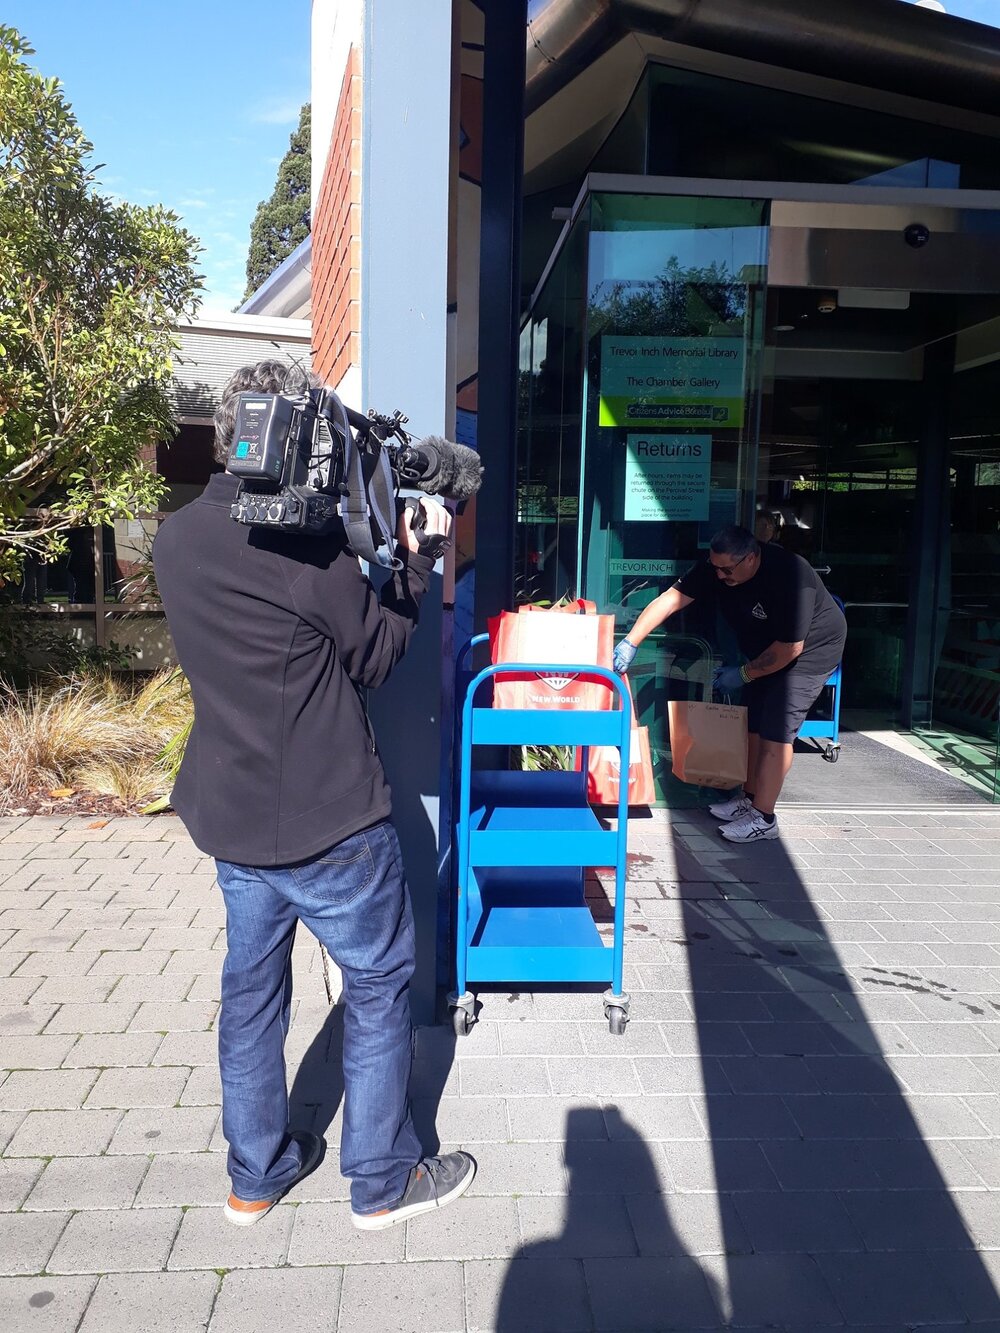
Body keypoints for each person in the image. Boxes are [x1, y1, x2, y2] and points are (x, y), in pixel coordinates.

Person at [153, 361, 475, 1230]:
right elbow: (373, 656)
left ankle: (252, 1175)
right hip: (331, 823)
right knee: (377, 982)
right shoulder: (307, 547)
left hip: (231, 814)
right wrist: (415, 566)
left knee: (251, 992)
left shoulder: (174, 538)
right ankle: (380, 1181)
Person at [613, 524, 846, 843]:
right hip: (765, 647)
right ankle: (749, 800)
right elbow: (671, 600)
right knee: (752, 723)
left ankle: (764, 818)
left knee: (777, 730)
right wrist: (632, 640)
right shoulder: (717, 567)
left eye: (727, 569)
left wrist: (745, 673)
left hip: (811, 649)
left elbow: (790, 648)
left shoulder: (792, 575)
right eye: (715, 567)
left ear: (751, 557)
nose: (720, 576)